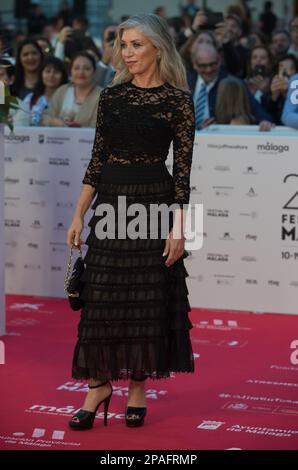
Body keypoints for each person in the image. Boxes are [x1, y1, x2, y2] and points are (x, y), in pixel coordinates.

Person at [66, 13, 195, 430]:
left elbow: (182, 174)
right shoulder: (112, 97)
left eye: (136, 44)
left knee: (146, 300)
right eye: (124, 45)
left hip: (153, 204)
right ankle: (98, 385)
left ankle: (137, 389)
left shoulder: (178, 101)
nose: (128, 52)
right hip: (110, 201)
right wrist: (79, 212)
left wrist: (178, 229)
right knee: (102, 297)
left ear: (158, 47)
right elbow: (97, 159)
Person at [42, 51, 101, 128]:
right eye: (76, 68)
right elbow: (46, 117)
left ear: (94, 72)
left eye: (87, 69)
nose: (81, 72)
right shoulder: (62, 90)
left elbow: (101, 127)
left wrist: (80, 128)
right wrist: (54, 122)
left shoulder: (102, 95)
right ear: (71, 71)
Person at [13, 56, 68, 126]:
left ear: (63, 75)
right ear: (41, 74)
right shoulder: (31, 99)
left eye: (56, 72)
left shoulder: (68, 98)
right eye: (48, 71)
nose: (51, 75)